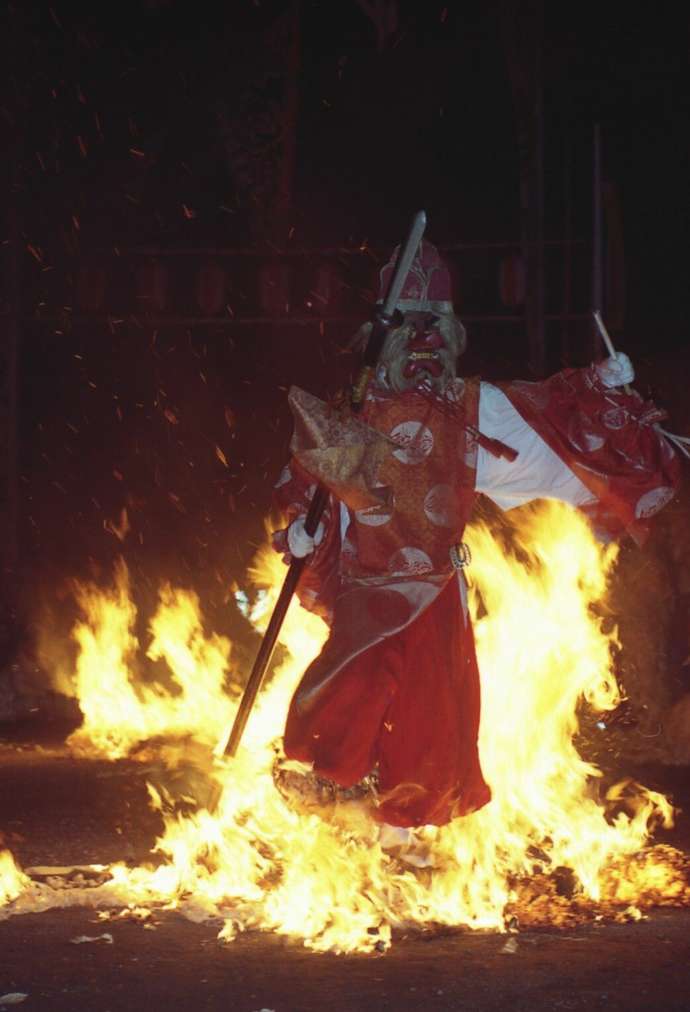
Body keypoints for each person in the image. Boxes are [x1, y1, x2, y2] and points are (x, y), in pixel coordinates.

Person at [271, 239, 681, 834]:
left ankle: (401, 841)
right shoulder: (354, 410)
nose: (424, 339)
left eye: (435, 323)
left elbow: (548, 427)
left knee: (429, 720)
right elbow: (313, 488)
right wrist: (301, 537)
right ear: (379, 335)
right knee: (349, 698)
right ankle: (336, 809)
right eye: (409, 325)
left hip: (436, 589)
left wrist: (599, 391)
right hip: (369, 587)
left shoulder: (471, 410)